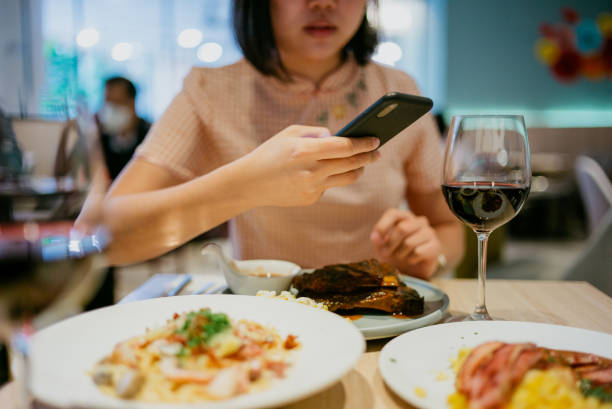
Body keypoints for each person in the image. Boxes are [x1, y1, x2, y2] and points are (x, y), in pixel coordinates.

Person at [103, 0, 464, 279]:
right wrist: (248, 185)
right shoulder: (210, 93)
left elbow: (449, 229)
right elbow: (105, 238)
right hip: (266, 324)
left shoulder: (397, 89)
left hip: (377, 317)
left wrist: (431, 252)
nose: (323, 3)